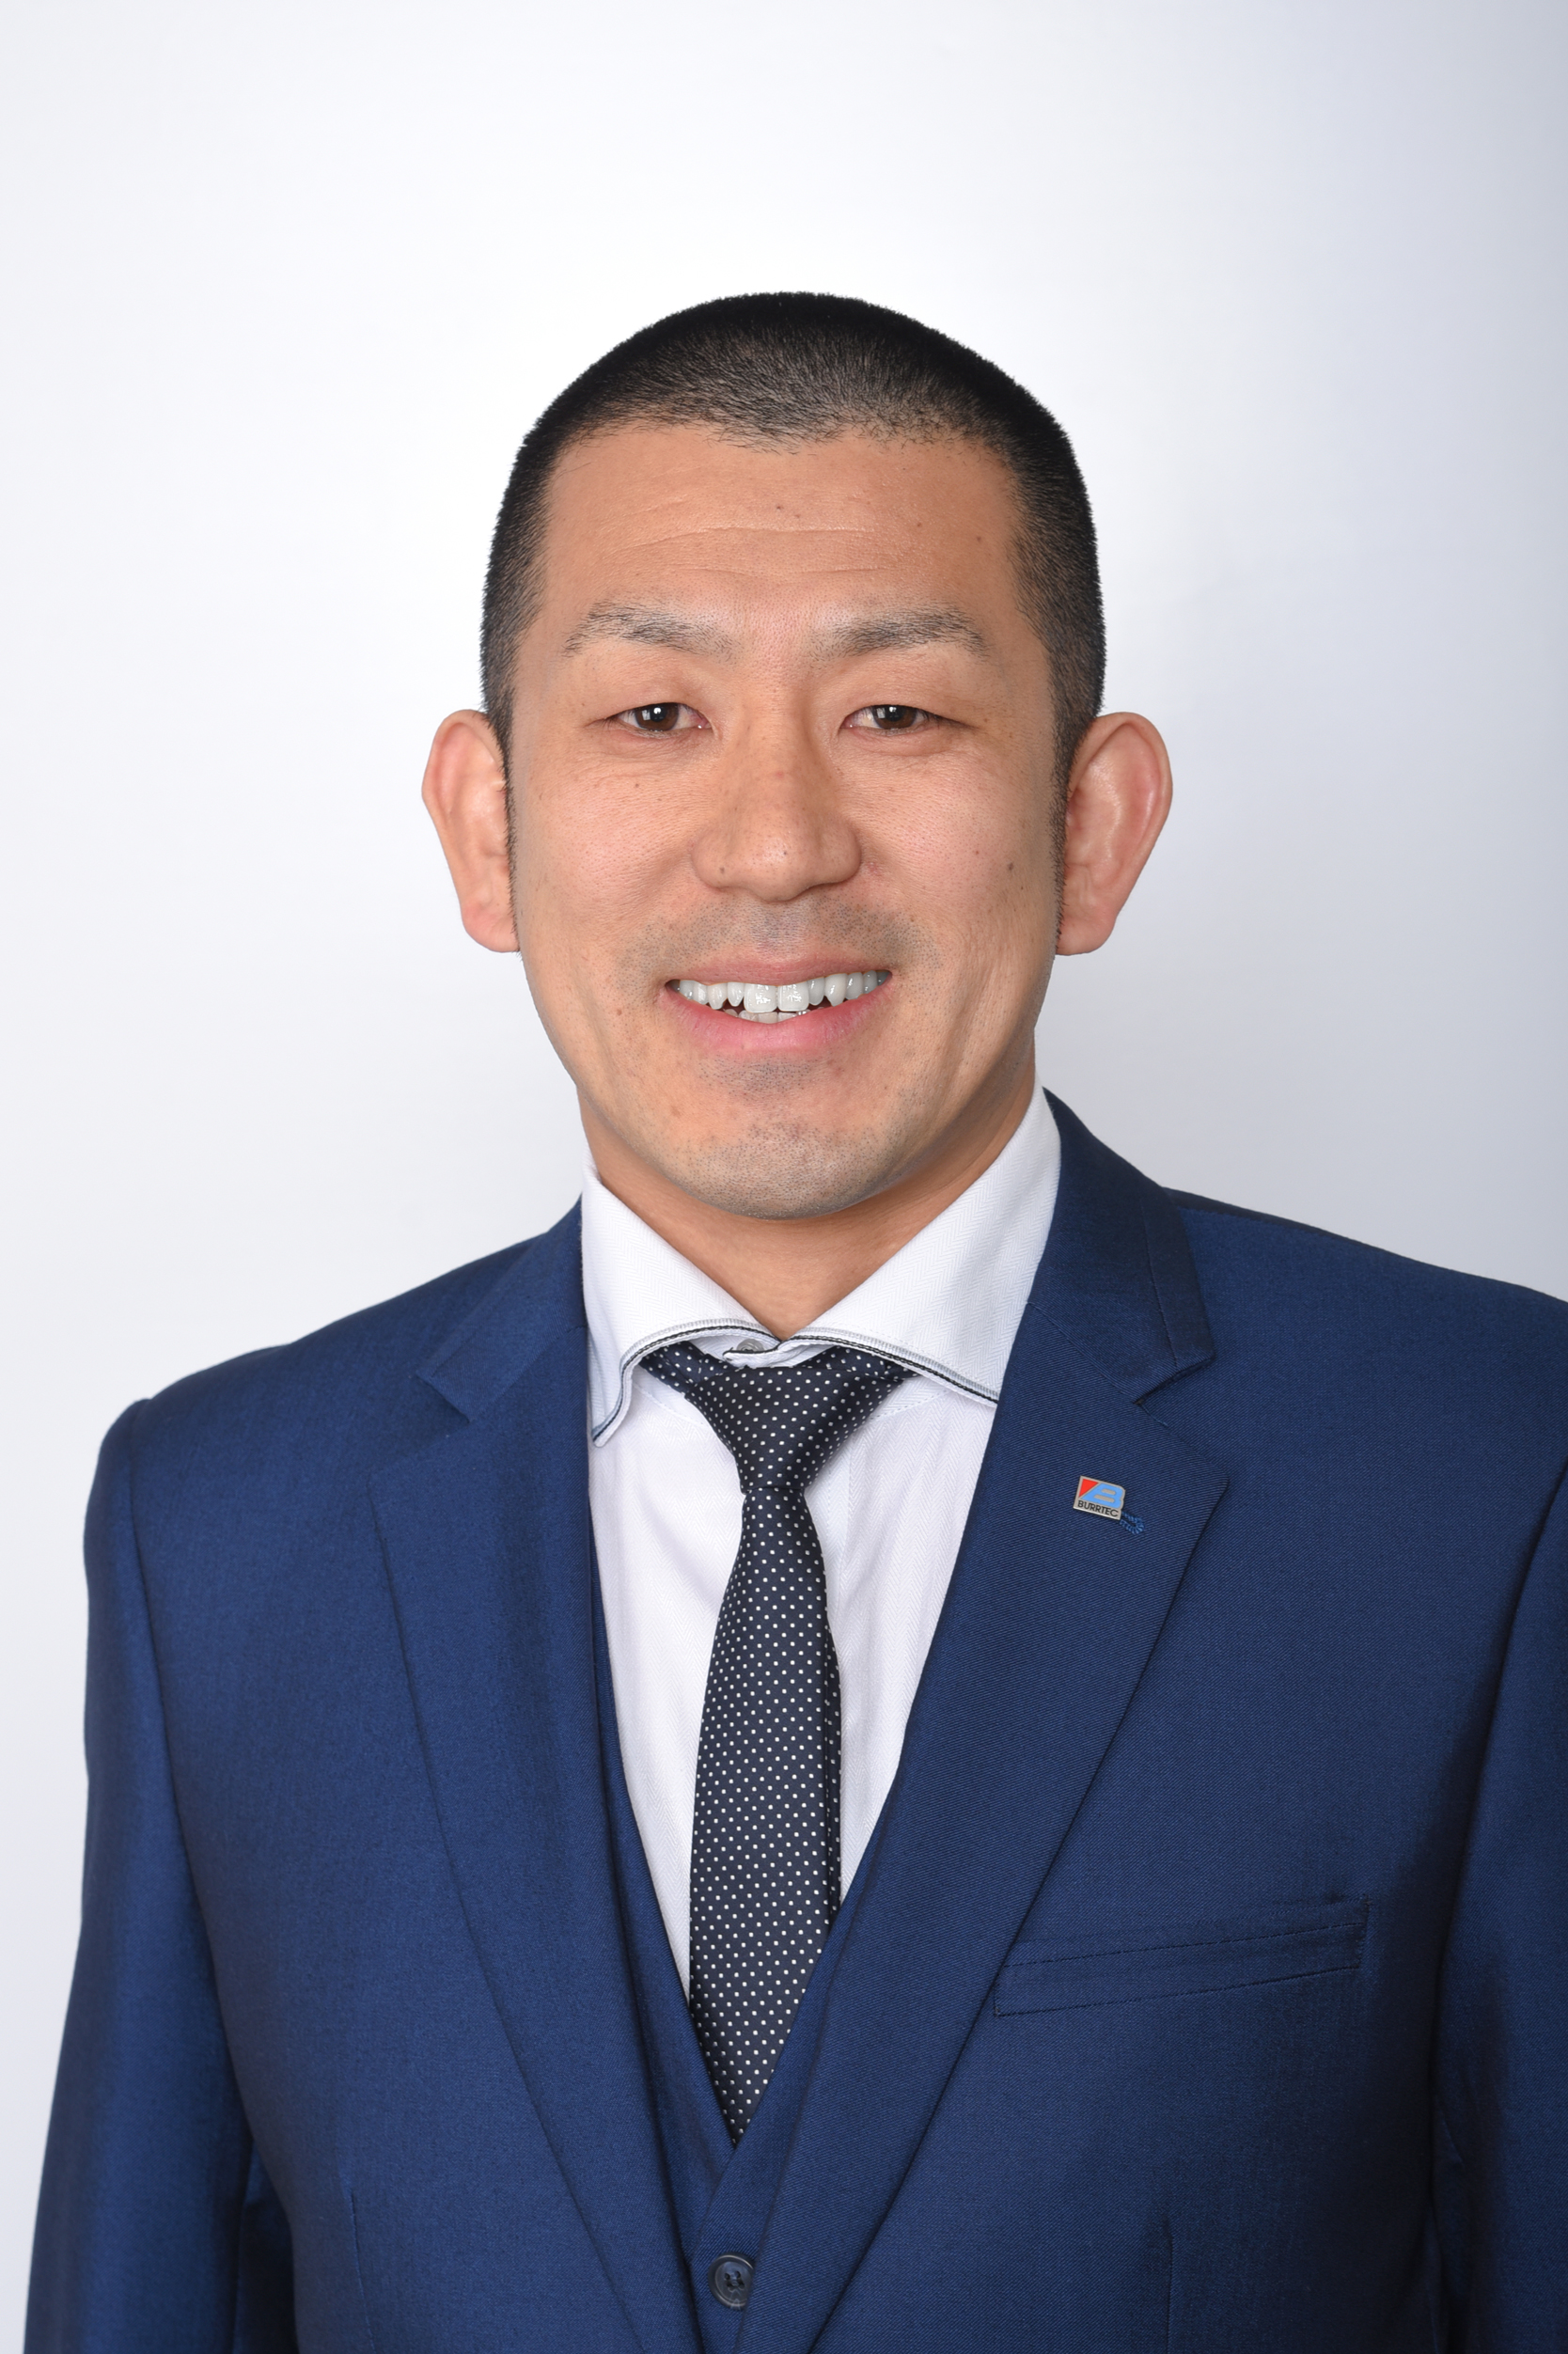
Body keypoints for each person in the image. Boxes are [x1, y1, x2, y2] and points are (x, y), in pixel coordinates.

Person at [25, 293, 1568, 2353]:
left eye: (898, 713)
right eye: (654, 713)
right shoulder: (219, 1530)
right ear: (488, 827)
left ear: (1092, 824)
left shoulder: (1488, 1472)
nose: (774, 847)